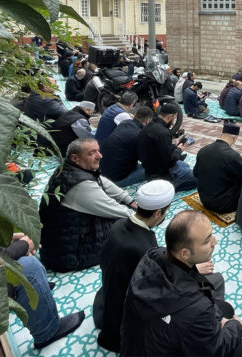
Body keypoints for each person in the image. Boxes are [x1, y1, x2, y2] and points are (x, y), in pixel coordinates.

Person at [120, 211, 242, 357]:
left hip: (137, 347)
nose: (215, 241)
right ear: (184, 254)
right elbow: (215, 351)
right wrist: (236, 326)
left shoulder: (153, 257)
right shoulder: (198, 308)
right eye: (207, 240)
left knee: (224, 308)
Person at [94, 180, 175, 352]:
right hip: (122, 323)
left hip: (108, 301)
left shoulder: (118, 224)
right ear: (158, 213)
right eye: (165, 212)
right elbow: (155, 292)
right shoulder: (144, 250)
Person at [39, 138, 137, 272]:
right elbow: (113, 208)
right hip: (70, 255)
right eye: (92, 153)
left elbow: (103, 182)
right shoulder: (81, 185)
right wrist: (141, 217)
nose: (100, 156)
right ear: (75, 158)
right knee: (128, 226)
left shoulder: (70, 169)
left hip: (60, 244)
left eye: (98, 151)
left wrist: (129, 200)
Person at [137, 103, 197, 191]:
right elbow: (170, 160)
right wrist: (179, 149)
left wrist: (174, 146)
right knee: (196, 178)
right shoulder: (163, 132)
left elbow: (159, 147)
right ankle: (167, 188)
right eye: (174, 118)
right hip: (161, 173)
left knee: (185, 165)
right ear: (170, 116)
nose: (174, 121)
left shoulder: (150, 125)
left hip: (150, 167)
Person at [193, 123, 242, 214]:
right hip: (222, 205)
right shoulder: (232, 156)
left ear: (221, 135)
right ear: (234, 138)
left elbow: (195, 173)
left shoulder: (203, 150)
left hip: (204, 199)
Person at [99, 106, 153, 187]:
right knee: (155, 168)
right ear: (147, 121)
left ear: (134, 115)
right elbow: (147, 159)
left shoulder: (125, 123)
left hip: (103, 171)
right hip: (117, 179)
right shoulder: (139, 135)